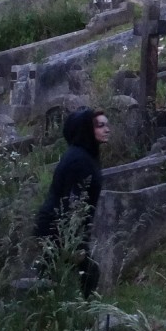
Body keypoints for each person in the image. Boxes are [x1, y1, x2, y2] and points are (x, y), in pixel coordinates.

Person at [35, 106, 108, 296]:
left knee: (59, 276)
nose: (106, 130)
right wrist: (76, 240)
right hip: (56, 228)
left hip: (62, 227)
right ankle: (79, 311)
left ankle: (63, 308)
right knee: (87, 273)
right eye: (100, 126)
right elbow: (72, 201)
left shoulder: (86, 155)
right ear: (86, 130)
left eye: (106, 125)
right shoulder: (79, 160)